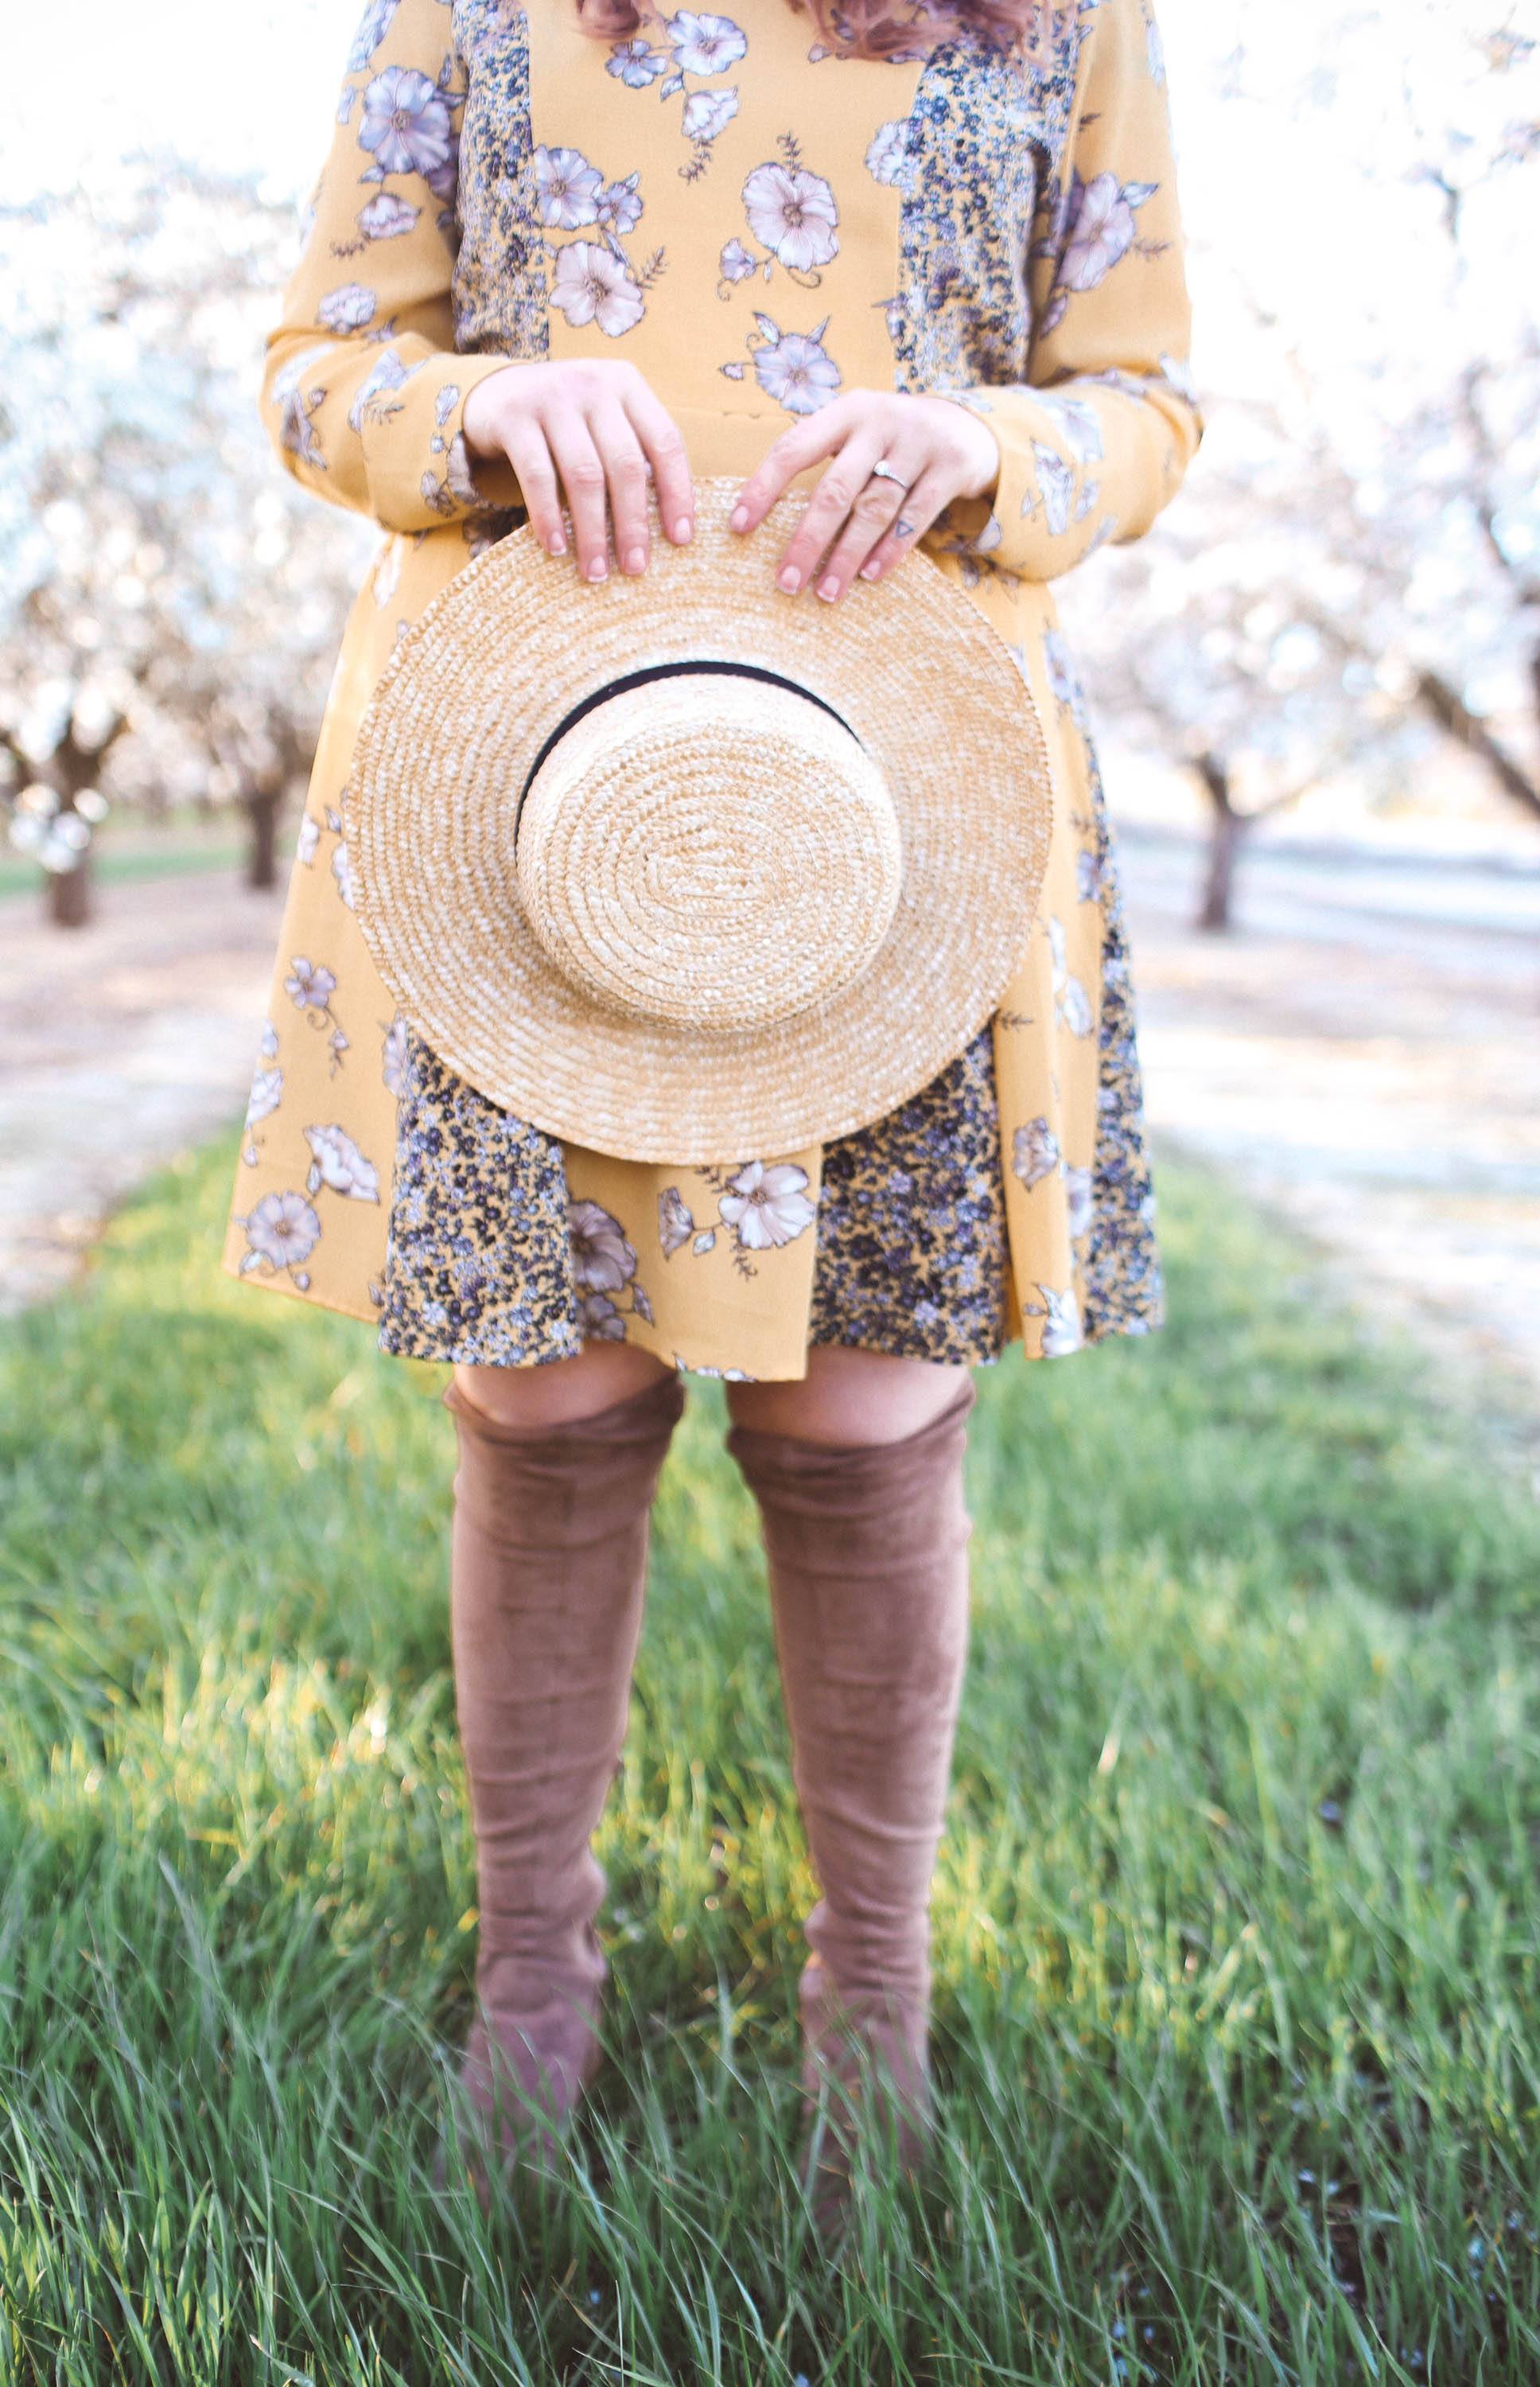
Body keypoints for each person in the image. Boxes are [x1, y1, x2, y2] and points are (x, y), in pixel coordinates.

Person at [226, 0, 1200, 2237]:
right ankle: (531, 1992)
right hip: (528, 794)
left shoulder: (1070, 12)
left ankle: (875, 2007)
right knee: (548, 1395)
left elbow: (1142, 402)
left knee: (867, 1419)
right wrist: (478, 397)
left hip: (899, 793)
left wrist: (988, 455)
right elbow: (315, 369)